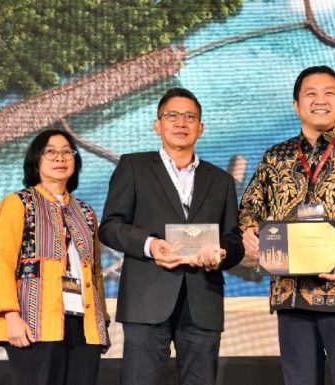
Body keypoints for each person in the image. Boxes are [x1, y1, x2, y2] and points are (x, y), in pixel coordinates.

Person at [239, 66, 335, 385]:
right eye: (311, 94)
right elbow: (250, 206)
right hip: (290, 292)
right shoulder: (275, 157)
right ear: (296, 104)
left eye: (329, 93)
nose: (320, 100)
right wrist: (248, 230)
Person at [99, 87, 244, 385]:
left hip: (202, 301)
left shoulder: (221, 180)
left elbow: (234, 239)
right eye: (173, 115)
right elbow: (110, 226)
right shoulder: (134, 166)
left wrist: (222, 254)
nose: (181, 123)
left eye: (190, 117)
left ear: (200, 128)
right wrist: (151, 246)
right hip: (146, 299)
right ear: (158, 125)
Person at [0, 129, 110, 385]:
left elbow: (96, 270)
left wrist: (102, 322)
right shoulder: (18, 203)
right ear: (36, 160)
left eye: (67, 152)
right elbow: (1, 263)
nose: (60, 158)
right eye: (51, 152)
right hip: (35, 323)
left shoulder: (85, 212)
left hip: (84, 324)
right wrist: (10, 316)